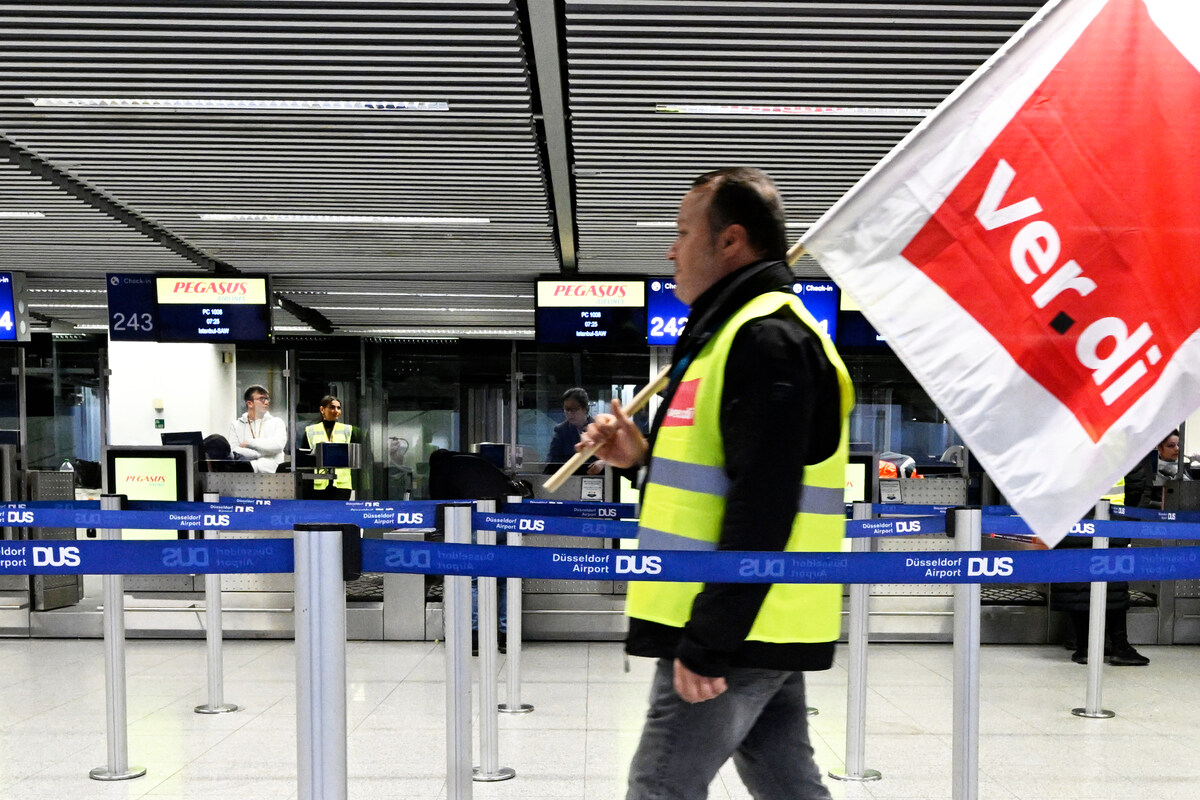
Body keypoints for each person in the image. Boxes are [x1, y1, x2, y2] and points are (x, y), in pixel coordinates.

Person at [579, 167, 853, 800]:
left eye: (681, 233)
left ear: (731, 242)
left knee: (659, 786)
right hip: (760, 616)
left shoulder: (765, 338)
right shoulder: (730, 337)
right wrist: (639, 459)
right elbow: (721, 483)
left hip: (736, 621)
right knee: (786, 782)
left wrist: (710, 641)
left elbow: (766, 501)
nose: (671, 250)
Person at [303, 395, 355, 500]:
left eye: (338, 408)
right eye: (332, 407)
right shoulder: (311, 430)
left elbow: (353, 455)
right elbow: (305, 457)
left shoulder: (348, 430)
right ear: (322, 409)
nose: (336, 411)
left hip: (342, 483)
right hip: (319, 483)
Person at [546, 387, 606, 475]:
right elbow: (552, 462)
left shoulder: (601, 429)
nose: (570, 414)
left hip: (599, 479)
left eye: (574, 409)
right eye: (567, 409)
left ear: (586, 409)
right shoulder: (561, 430)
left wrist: (604, 462)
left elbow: (617, 457)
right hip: (569, 479)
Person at [229, 385, 287, 473]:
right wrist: (261, 453)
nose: (266, 402)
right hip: (245, 475)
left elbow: (277, 446)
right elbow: (233, 452)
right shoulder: (236, 425)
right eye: (261, 399)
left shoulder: (277, 422)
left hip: (272, 476)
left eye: (267, 399)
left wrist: (249, 443)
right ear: (250, 403)